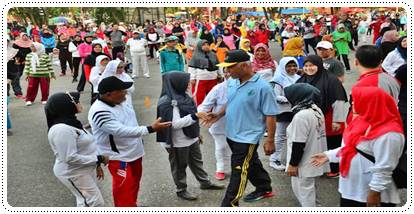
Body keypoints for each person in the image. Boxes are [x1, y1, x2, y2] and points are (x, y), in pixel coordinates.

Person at [311, 87, 404, 207]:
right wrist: (329, 155)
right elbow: (352, 148)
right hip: (351, 189)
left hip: (371, 193)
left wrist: (374, 192)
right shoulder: (360, 121)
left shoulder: (390, 133)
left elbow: (385, 166)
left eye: (359, 101)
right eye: (353, 101)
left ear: (373, 104)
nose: (353, 104)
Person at [88, 76, 172, 207]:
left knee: (133, 185)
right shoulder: (99, 110)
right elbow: (121, 130)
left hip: (134, 152)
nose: (125, 92)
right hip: (119, 157)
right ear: (109, 94)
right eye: (121, 90)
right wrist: (150, 129)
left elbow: (131, 123)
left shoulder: (120, 101)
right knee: (123, 190)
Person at [210, 50, 278, 207]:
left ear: (245, 66)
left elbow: (270, 115)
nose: (227, 71)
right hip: (232, 133)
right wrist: (219, 114)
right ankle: (264, 187)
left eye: (230, 67)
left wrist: (270, 140)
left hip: (247, 137)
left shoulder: (263, 87)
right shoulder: (233, 81)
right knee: (251, 162)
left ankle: (230, 204)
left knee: (239, 171)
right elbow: (233, 101)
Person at [156, 72, 225, 201]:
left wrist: (196, 133)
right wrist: (196, 116)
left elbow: (191, 114)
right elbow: (173, 124)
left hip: (190, 138)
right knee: (179, 166)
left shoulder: (183, 96)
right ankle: (181, 189)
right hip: (177, 142)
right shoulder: (166, 102)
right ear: (177, 83)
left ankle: (205, 182)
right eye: (186, 82)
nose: (189, 84)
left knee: (197, 162)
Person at [46, 92, 107, 207]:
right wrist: (99, 158)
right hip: (73, 172)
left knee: (85, 201)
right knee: (94, 202)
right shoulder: (61, 129)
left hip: (83, 169)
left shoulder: (71, 122)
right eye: (76, 101)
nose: (79, 103)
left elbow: (86, 146)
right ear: (65, 106)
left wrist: (97, 164)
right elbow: (70, 158)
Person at [296, 55, 349, 178]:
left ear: (319, 65)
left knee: (332, 143)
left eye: (312, 65)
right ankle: (322, 166)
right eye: (306, 66)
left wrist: (337, 121)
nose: (309, 68)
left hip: (329, 116)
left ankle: (336, 169)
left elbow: (339, 101)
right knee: (317, 142)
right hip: (311, 117)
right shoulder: (303, 79)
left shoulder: (331, 80)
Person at [283, 83, 330, 207]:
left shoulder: (301, 116)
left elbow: (298, 143)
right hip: (314, 158)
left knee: (304, 193)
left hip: (303, 163)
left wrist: (293, 164)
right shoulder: (315, 109)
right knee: (310, 190)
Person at [197, 69, 232, 180]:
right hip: (219, 123)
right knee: (221, 146)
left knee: (235, 148)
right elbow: (204, 106)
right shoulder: (218, 88)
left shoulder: (248, 86)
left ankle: (235, 168)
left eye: (231, 71)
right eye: (226, 71)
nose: (228, 74)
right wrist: (202, 114)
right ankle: (220, 168)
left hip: (241, 124)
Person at [268, 57, 300, 171]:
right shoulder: (277, 79)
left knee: (295, 136)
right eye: (289, 66)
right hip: (283, 111)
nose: (292, 68)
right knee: (280, 136)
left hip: (296, 111)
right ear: (283, 67)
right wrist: (288, 99)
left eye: (294, 65)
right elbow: (274, 96)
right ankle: (274, 159)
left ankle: (292, 159)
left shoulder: (299, 78)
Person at [188, 40, 220, 106]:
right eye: (204, 45)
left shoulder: (213, 54)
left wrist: (220, 74)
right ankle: (198, 111)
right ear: (200, 46)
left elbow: (218, 65)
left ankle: (210, 111)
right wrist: (192, 78)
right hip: (201, 78)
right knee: (199, 96)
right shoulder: (195, 55)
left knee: (212, 95)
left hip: (213, 78)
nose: (206, 46)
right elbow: (192, 67)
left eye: (207, 45)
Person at [12, 32, 32, 99]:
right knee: (18, 73)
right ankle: (16, 88)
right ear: (21, 36)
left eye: (26, 35)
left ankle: (31, 85)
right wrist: (20, 57)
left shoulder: (30, 42)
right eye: (23, 36)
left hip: (28, 59)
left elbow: (32, 50)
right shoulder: (17, 43)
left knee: (30, 73)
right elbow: (14, 52)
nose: (25, 37)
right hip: (19, 60)